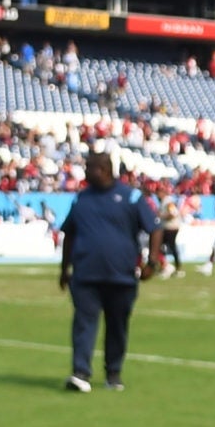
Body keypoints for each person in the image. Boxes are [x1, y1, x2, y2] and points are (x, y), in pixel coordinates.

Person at [58, 150, 156, 391]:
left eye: (90, 168)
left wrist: (152, 262)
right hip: (85, 275)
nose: (86, 173)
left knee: (117, 326)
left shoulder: (131, 197)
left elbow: (155, 227)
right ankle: (80, 372)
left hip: (121, 276)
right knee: (83, 322)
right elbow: (69, 233)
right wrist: (64, 268)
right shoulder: (81, 199)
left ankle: (113, 373)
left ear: (103, 169)